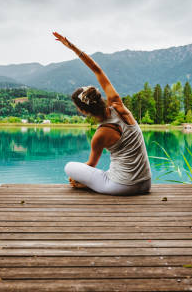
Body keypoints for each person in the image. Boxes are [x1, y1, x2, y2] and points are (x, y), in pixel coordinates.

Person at [53, 32, 152, 196]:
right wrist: (72, 47)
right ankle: (88, 183)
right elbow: (97, 69)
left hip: (121, 187)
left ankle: (85, 185)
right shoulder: (119, 107)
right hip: (145, 183)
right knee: (100, 172)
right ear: (99, 97)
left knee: (70, 167)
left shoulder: (99, 135)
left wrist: (79, 177)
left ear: (83, 111)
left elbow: (91, 164)